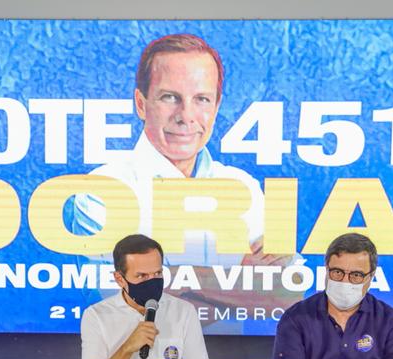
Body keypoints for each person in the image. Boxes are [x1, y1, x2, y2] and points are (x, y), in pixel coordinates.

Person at [72, 33, 298, 319]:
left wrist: (168, 281)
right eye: (170, 97)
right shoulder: (102, 190)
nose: (186, 115)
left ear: (216, 107)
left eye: (202, 99)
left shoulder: (244, 187)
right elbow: (123, 304)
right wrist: (239, 280)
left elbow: (287, 299)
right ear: (141, 104)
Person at [81, 234, 213, 359]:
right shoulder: (96, 316)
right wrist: (127, 348)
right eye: (142, 276)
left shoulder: (183, 311)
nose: (152, 282)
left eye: (157, 274)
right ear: (119, 279)